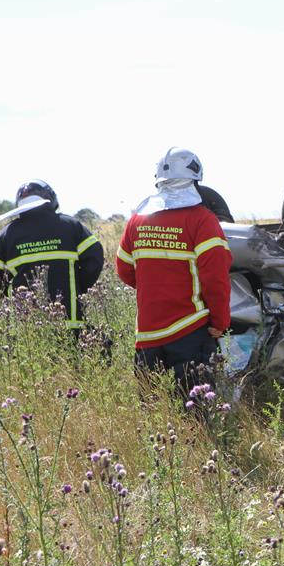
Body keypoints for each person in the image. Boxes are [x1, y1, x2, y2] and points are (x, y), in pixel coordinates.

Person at [116, 147, 233, 397]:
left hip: (147, 338)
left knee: (153, 421)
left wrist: (156, 287)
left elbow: (124, 269)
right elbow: (216, 279)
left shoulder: (137, 221)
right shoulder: (202, 220)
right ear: (196, 179)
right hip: (191, 332)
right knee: (197, 415)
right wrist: (220, 322)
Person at [0, 180, 104, 331]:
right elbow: (95, 260)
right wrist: (78, 286)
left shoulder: (6, 235)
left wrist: (12, 294)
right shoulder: (71, 226)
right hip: (70, 323)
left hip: (26, 331)